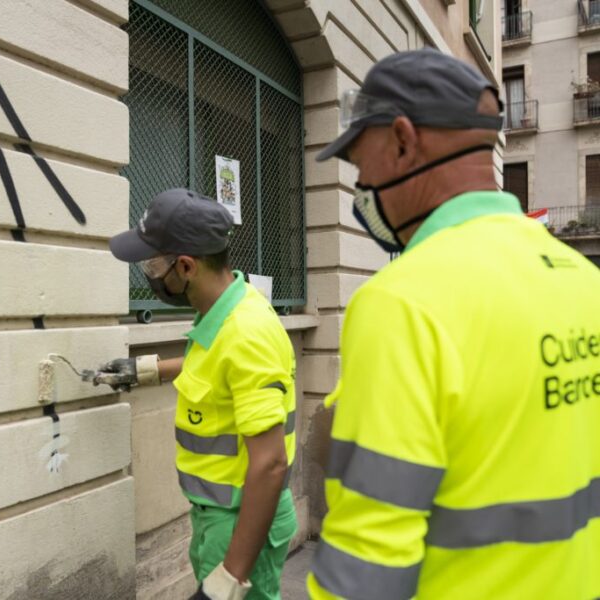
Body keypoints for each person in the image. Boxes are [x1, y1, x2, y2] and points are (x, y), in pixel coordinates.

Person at [308, 48, 600, 599]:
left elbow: (365, 566)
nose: (361, 186)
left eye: (359, 162)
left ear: (401, 140)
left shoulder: (402, 304)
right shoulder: (584, 280)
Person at [96, 188, 298, 600]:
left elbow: (271, 463)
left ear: (186, 266)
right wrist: (147, 370)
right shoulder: (225, 309)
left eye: (153, 263)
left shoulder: (246, 332)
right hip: (220, 517)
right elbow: (216, 370)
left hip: (241, 522)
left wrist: (230, 577)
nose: (149, 273)